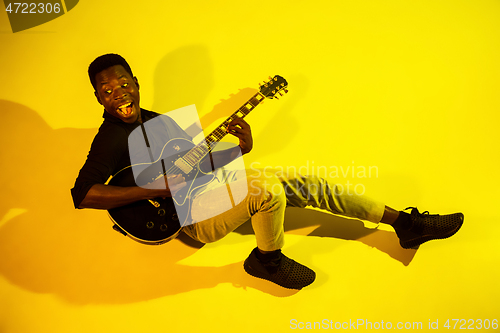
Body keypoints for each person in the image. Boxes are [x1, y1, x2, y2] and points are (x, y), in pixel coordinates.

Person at [71, 54, 464, 290]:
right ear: (98, 97)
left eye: (123, 82)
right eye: (107, 89)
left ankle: (404, 223)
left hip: (204, 195)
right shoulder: (109, 140)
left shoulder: (161, 123)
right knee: (265, 189)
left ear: (135, 84)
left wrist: (241, 149)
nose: (117, 91)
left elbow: (192, 167)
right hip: (182, 220)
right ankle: (267, 260)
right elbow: (83, 194)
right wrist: (149, 190)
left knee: (302, 181)